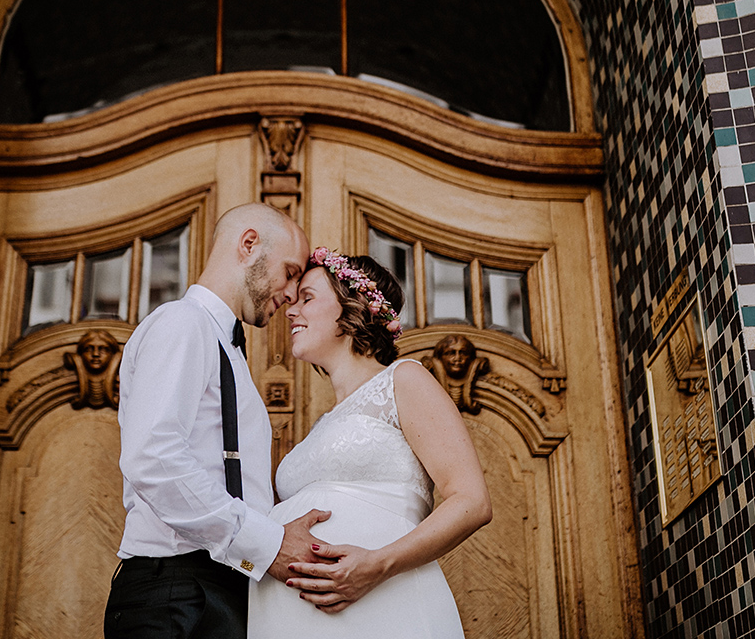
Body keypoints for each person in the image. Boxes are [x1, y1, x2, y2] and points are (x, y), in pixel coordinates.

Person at [105, 203, 330, 639]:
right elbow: (152, 458)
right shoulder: (182, 323)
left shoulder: (224, 346)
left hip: (213, 588)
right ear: (248, 245)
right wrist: (268, 544)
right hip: (176, 595)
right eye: (288, 272)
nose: (289, 294)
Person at [249, 248, 492, 637]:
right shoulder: (324, 424)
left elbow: (472, 501)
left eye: (307, 298)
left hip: (382, 605)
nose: (291, 311)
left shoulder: (404, 379)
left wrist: (377, 564)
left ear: (352, 307)